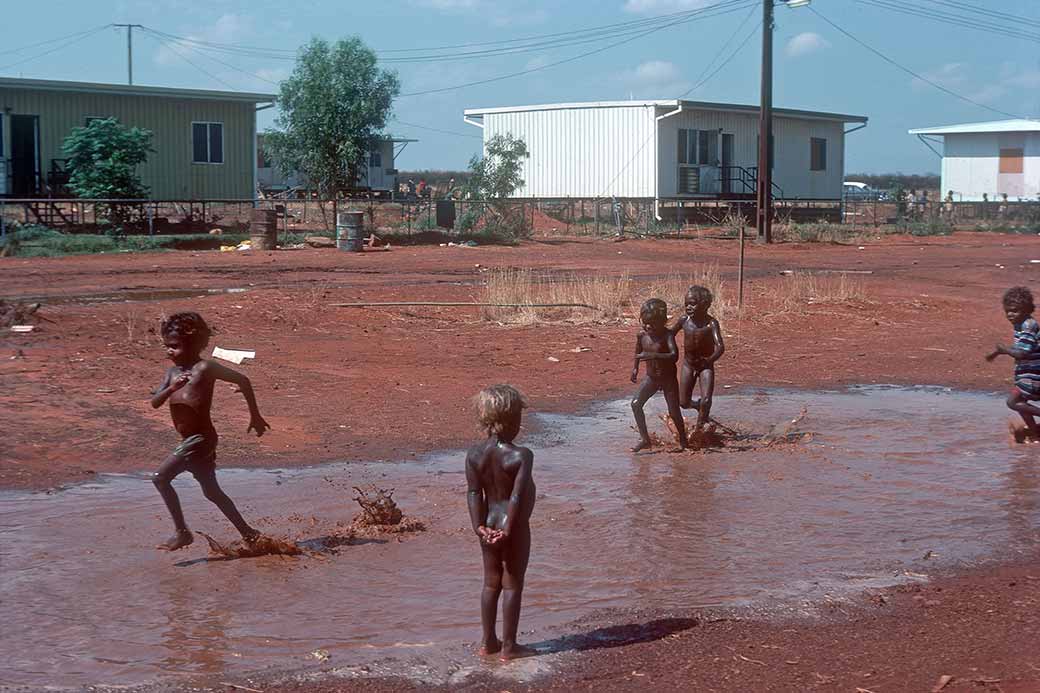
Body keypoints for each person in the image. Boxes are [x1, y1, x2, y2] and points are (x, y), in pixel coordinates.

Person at [150, 312, 270, 550]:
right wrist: (171, 388)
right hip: (189, 440)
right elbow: (155, 402)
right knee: (212, 492)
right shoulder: (172, 374)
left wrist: (255, 416)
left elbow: (243, 380)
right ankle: (249, 534)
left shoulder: (206, 368)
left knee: (160, 478)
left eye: (174, 346)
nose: (169, 351)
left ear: (193, 344)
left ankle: (182, 533)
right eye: (167, 347)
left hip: (201, 439)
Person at [465, 384, 536, 661]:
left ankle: (487, 643)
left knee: (490, 584)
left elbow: (473, 492)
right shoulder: (521, 455)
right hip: (513, 526)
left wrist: (478, 527)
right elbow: (517, 496)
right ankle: (509, 647)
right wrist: (509, 530)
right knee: (513, 584)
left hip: (487, 522)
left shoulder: (474, 454)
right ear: (512, 419)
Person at [630, 298, 686, 452]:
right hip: (651, 378)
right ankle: (645, 439)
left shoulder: (667, 335)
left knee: (674, 412)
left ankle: (683, 442)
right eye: (645, 322)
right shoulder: (642, 335)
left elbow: (674, 356)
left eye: (653, 324)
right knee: (635, 404)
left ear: (662, 322)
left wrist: (653, 356)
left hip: (668, 380)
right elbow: (638, 351)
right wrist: (635, 368)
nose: (648, 326)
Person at [986, 287, 1040, 443]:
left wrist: (1004, 349)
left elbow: (1023, 352)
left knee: (1013, 402)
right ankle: (1035, 433)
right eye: (1007, 311)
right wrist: (998, 353)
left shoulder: (1029, 326)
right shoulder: (1020, 324)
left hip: (1034, 373)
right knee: (1021, 404)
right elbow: (1021, 348)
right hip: (1027, 372)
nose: (1010, 315)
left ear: (1026, 310)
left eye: (1015, 311)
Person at [670, 286, 726, 429]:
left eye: (692, 304)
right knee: (683, 402)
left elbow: (720, 347)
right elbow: (670, 334)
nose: (688, 307)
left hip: (706, 365)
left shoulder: (711, 323)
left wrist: (709, 360)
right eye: (686, 304)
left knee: (706, 399)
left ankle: (701, 426)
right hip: (688, 365)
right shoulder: (684, 320)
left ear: (705, 305)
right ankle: (698, 406)